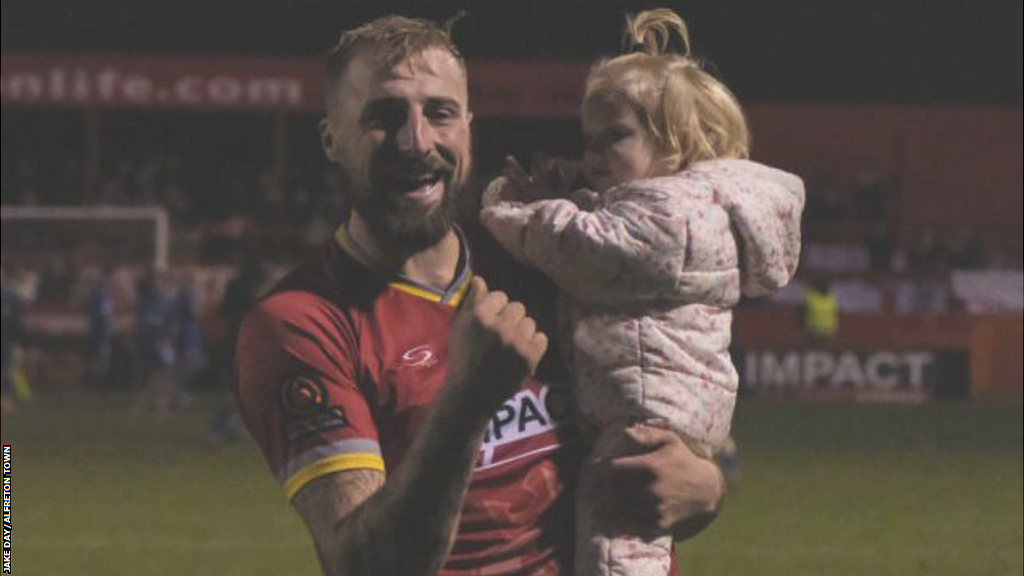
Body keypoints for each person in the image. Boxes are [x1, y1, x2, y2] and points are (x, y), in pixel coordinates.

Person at [234, 15, 726, 576]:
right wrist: (467, 402)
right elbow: (366, 566)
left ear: (469, 126)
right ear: (331, 138)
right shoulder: (300, 323)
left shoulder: (544, 257)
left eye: (439, 113)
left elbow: (675, 395)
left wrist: (708, 485)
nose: (416, 141)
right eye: (383, 116)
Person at [479, 9, 804, 576]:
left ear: (676, 142)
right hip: (664, 402)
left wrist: (512, 205)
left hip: (645, 412)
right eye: (589, 140)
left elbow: (576, 245)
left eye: (615, 137)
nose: (594, 156)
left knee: (617, 546)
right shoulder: (691, 209)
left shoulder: (672, 217)